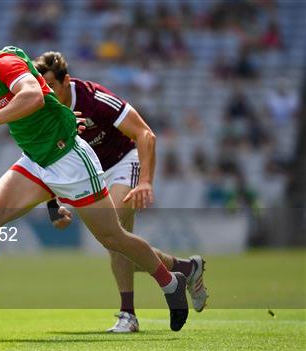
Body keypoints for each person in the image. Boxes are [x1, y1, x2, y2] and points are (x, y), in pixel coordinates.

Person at [0, 31, 189, 332]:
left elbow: (32, 95)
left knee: (113, 238)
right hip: (36, 161)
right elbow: (42, 97)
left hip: (69, 160)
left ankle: (170, 282)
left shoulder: (4, 64)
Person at [34, 51, 208, 333]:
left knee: (113, 230)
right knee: (115, 241)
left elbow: (145, 135)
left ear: (66, 81)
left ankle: (129, 314)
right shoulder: (44, 108)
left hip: (124, 162)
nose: (46, 94)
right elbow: (46, 157)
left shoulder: (94, 99)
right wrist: (53, 206)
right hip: (92, 175)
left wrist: (146, 183)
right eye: (42, 88)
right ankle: (185, 269)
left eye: (50, 86)